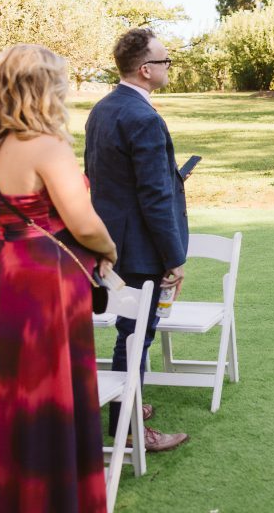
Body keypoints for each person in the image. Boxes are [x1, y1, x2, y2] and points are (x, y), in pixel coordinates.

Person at [0, 44, 116, 512]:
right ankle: (53, 498)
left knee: (9, 388)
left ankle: (4, 495)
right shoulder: (48, 146)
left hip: (7, 271)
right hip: (48, 282)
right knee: (50, 388)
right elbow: (85, 224)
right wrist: (110, 250)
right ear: (45, 87)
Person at [84, 28, 189, 452]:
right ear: (146, 70)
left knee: (132, 330)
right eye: (165, 62)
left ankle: (131, 401)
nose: (168, 67)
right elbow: (153, 194)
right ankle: (128, 429)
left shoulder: (102, 108)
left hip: (111, 239)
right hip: (142, 246)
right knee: (137, 333)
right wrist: (174, 255)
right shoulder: (143, 117)